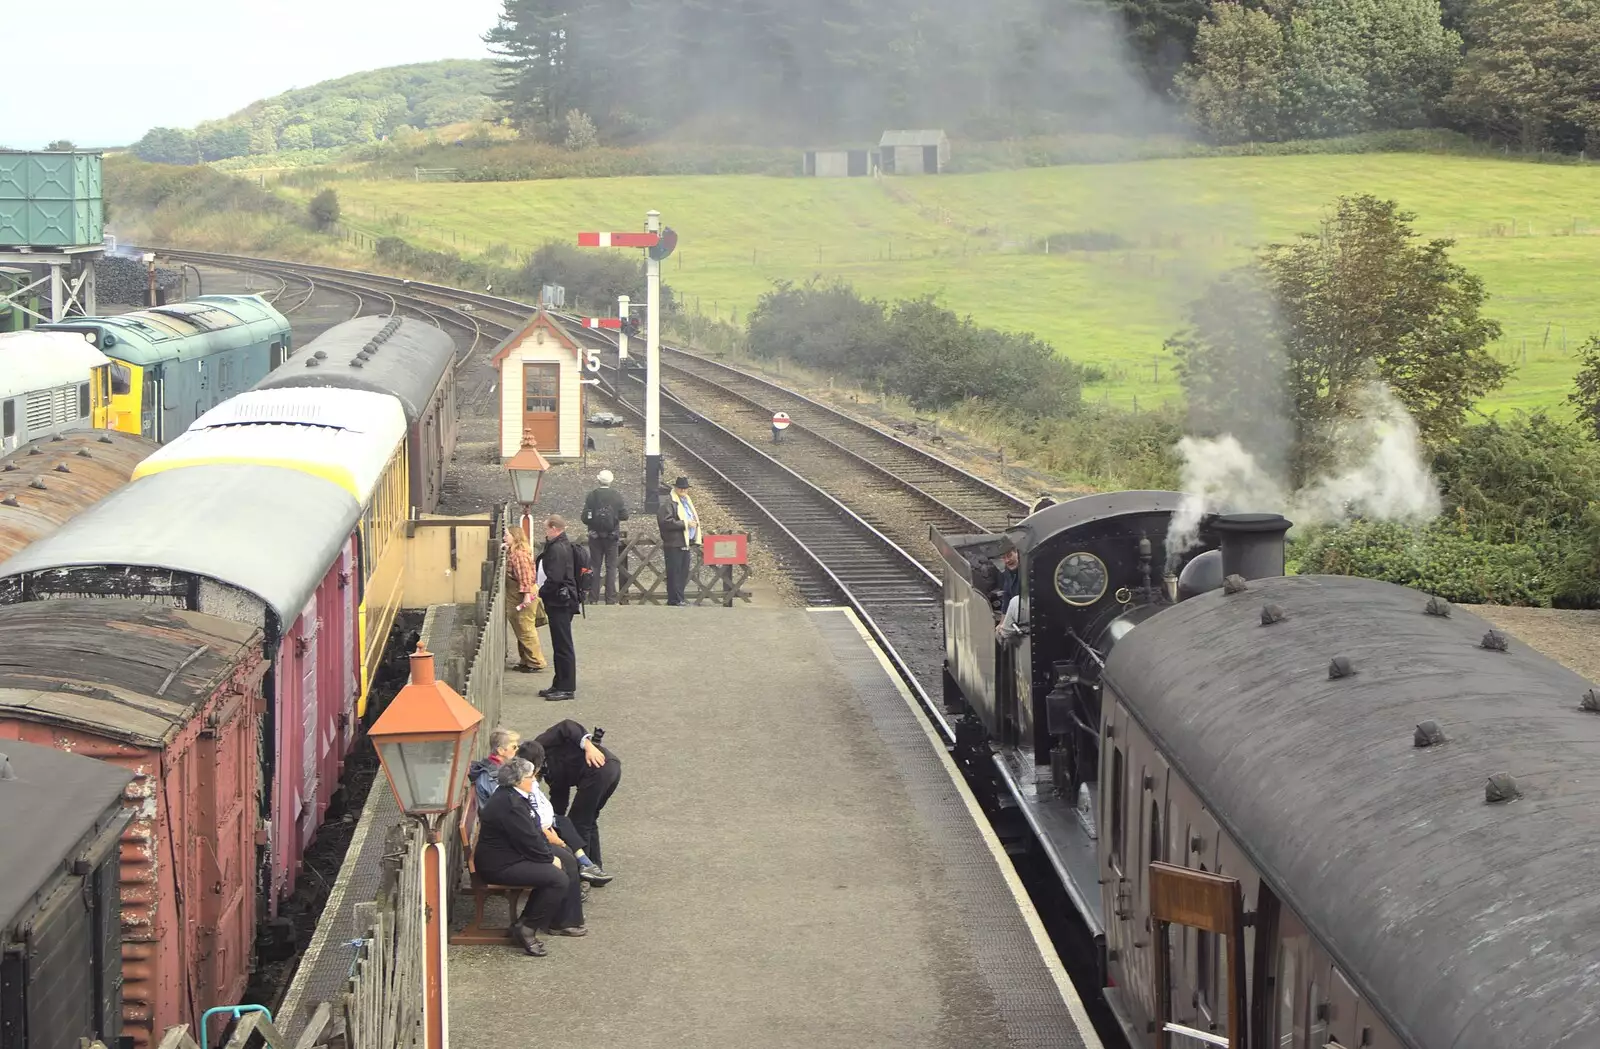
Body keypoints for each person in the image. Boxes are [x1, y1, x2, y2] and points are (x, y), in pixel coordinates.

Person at [473, 757, 586, 956]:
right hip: (500, 865)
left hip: (514, 852)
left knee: (567, 858)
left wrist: (551, 852)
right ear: (517, 781)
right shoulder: (510, 804)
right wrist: (548, 858)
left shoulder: (514, 796)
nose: (534, 780)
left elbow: (531, 833)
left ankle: (562, 921)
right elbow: (527, 839)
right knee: (558, 878)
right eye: (529, 777)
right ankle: (527, 927)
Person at [515, 740, 615, 885]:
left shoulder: (528, 779)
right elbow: (532, 810)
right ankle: (583, 869)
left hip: (543, 823)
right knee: (572, 832)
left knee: (566, 822)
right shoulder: (521, 780)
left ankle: (586, 864)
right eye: (512, 747)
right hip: (538, 828)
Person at [536, 719, 622, 871]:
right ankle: (596, 866)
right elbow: (559, 800)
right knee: (588, 819)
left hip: (599, 769)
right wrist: (554, 823)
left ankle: (584, 871)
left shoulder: (540, 745)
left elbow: (566, 725)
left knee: (578, 822)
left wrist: (588, 745)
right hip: (610, 768)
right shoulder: (548, 773)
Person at [537, 514, 580, 700]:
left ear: (554, 528)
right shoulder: (562, 545)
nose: (545, 532)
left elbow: (555, 577)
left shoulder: (558, 548)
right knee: (560, 644)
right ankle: (559, 683)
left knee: (563, 645)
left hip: (560, 600)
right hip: (562, 599)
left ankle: (566, 687)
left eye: (546, 528)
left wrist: (541, 592)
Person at [580, 469, 629, 605]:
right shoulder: (616, 496)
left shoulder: (592, 496)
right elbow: (625, 515)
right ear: (611, 481)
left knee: (595, 566)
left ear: (598, 480)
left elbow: (585, 517)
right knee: (611, 567)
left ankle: (593, 598)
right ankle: (610, 598)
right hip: (611, 536)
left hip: (595, 536)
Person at [503, 528, 547, 673]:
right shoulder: (514, 552)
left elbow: (525, 576)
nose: (505, 537)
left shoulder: (519, 555)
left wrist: (527, 595)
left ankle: (535, 661)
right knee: (521, 629)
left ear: (515, 537)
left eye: (507, 534)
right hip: (518, 595)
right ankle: (526, 660)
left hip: (522, 596)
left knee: (526, 628)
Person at [657, 475, 700, 606]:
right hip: (674, 543)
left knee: (683, 573)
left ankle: (678, 598)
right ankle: (676, 599)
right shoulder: (669, 503)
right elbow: (665, 522)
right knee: (675, 573)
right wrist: (685, 523)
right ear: (675, 488)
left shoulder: (685, 501)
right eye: (681, 488)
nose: (683, 490)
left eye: (685, 488)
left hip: (684, 542)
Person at [468, 727, 520, 808]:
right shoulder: (490, 776)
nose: (517, 749)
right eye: (514, 747)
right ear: (501, 751)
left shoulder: (500, 767)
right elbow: (502, 803)